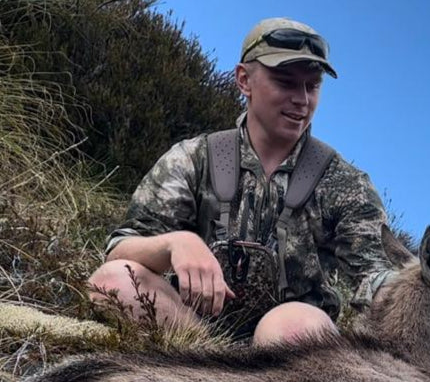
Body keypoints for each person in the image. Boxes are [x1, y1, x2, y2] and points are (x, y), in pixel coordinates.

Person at [89, 17, 392, 345]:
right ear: (244, 80)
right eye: (285, 82)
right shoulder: (195, 157)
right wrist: (175, 243)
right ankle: (206, 364)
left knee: (297, 326)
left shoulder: (344, 183)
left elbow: (378, 275)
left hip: (287, 356)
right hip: (189, 333)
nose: (302, 99)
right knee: (113, 280)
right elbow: (121, 249)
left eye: (312, 85)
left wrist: (418, 294)